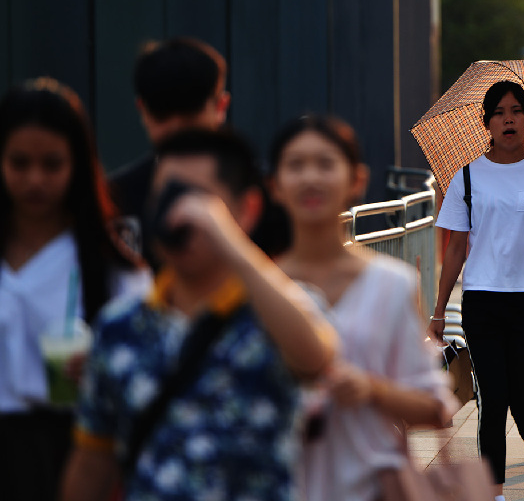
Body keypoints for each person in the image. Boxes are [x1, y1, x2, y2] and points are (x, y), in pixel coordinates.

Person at [61, 129, 337, 501]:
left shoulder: (281, 312)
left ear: (247, 209)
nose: (176, 213)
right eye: (164, 197)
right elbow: (92, 463)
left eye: (195, 198)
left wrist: (230, 241)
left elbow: (315, 358)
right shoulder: (120, 326)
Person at [267, 115, 457, 501]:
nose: (310, 178)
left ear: (356, 179)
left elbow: (436, 408)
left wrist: (371, 390)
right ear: (274, 185)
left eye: (325, 163)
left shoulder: (392, 283)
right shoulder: (261, 288)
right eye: (295, 165)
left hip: (372, 487)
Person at [0, 78, 150, 501]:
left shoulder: (108, 263)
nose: (35, 180)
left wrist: (106, 364)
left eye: (52, 164)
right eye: (18, 163)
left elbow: (150, 359)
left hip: (78, 449)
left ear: (78, 165)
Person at [428, 80, 524, 501]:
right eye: (498, 112)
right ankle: (493, 491)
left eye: (516, 111)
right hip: (482, 299)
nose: (508, 119)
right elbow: (456, 246)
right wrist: (439, 310)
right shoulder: (467, 176)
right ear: (487, 122)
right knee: (492, 402)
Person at [109, 37, 230, 268]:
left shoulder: (264, 192)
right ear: (142, 110)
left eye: (189, 116)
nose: (176, 129)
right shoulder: (114, 199)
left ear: (221, 107)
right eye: (163, 115)